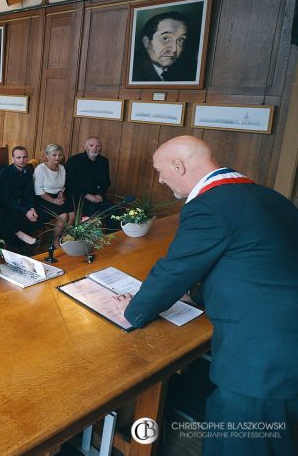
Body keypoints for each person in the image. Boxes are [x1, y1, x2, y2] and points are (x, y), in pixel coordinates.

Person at [120, 136, 298, 456]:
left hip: (262, 359)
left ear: (179, 166)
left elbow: (175, 270)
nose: (160, 179)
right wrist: (198, 296)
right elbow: (251, 264)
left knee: (242, 442)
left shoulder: (210, 205)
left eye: (161, 171)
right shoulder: (266, 196)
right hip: (283, 350)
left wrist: (130, 313)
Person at [0, 146, 40, 254]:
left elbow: (30, 194)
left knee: (38, 216)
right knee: (17, 218)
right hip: (7, 205)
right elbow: (6, 199)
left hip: (23, 204)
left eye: (25, 157)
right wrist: (25, 211)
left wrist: (31, 208)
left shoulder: (28, 171)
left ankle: (22, 246)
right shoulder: (5, 172)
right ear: (13, 158)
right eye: (19, 157)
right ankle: (20, 248)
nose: (22, 160)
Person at [131, 11, 195, 82]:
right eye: (165, 39)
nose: (174, 49)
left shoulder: (187, 69)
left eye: (180, 40)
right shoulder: (132, 71)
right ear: (146, 42)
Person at [34, 143, 74, 249]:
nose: (57, 158)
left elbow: (62, 186)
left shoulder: (62, 168)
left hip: (58, 196)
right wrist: (53, 201)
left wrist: (61, 194)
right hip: (43, 198)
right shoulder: (40, 169)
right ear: (47, 155)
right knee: (64, 215)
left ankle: (65, 237)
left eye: (60, 155)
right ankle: (55, 240)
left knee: (72, 213)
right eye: (54, 155)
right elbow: (38, 190)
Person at [65, 136, 113, 217]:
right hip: (78, 196)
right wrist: (87, 195)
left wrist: (100, 194)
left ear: (101, 148)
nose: (95, 148)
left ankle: (111, 230)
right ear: (85, 146)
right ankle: (93, 230)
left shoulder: (104, 161)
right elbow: (69, 183)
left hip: (97, 196)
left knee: (113, 210)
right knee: (93, 210)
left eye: (98, 146)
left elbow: (107, 181)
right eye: (91, 145)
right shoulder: (74, 160)